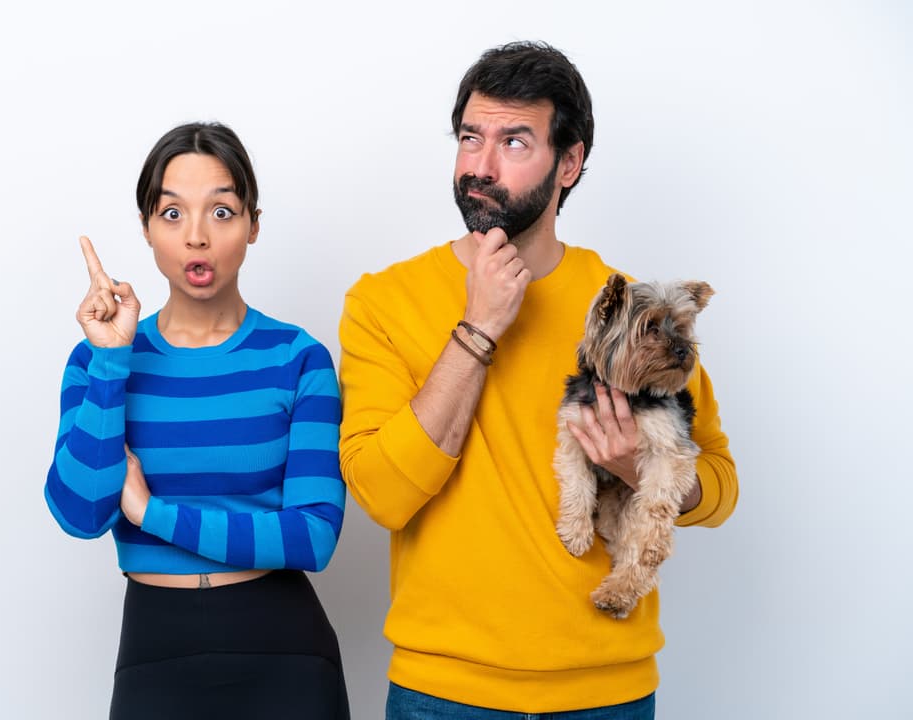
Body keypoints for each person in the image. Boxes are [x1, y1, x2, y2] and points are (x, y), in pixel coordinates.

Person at [338, 41, 738, 718]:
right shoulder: (383, 301)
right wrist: (479, 327)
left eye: (515, 142)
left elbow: (720, 486)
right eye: (471, 138)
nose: (481, 167)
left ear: (570, 163)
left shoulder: (628, 315)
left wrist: (640, 469)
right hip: (443, 694)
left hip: (605, 690)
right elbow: (382, 495)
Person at [45, 122, 350, 719]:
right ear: (146, 228)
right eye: (173, 213)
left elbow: (313, 537)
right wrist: (111, 360)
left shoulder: (299, 358)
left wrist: (150, 514)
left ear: (253, 225)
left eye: (222, 211)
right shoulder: (97, 359)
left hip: (286, 654)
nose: (198, 238)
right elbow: (80, 515)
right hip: (154, 650)